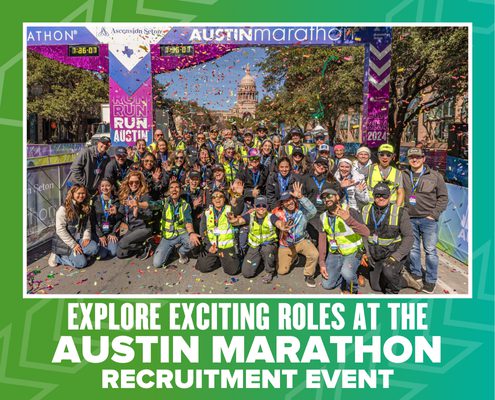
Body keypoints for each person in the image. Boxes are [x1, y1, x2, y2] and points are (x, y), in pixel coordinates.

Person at [361, 183, 422, 294]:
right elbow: (363, 235)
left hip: (393, 253)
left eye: (384, 195)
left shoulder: (400, 212)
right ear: (373, 196)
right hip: (376, 253)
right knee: (376, 287)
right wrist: (368, 254)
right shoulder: (365, 210)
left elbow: (409, 238)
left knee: (388, 273)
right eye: (378, 195)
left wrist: (396, 257)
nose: (381, 198)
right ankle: (401, 278)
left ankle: (397, 287)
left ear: (389, 196)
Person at [402, 147, 448, 293]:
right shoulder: (403, 174)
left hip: (428, 220)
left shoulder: (435, 176)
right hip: (409, 218)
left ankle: (431, 279)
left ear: (423, 158)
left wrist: (433, 215)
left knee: (430, 251)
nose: (414, 160)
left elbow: (443, 198)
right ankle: (416, 273)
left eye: (417, 157)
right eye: (411, 157)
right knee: (413, 249)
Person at [318, 186, 370, 294]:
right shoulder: (323, 217)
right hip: (335, 253)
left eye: (329, 195)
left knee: (347, 273)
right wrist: (322, 263)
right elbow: (322, 242)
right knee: (327, 285)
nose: (327, 199)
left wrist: (348, 220)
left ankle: (352, 288)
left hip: (353, 252)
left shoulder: (350, 211)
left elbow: (366, 232)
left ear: (337, 197)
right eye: (324, 197)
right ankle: (349, 275)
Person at [228, 195, 290, 283]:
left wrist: (283, 226)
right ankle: (260, 262)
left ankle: (270, 271)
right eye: (258, 206)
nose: (261, 208)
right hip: (255, 245)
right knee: (247, 273)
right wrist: (233, 221)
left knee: (266, 250)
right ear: (254, 207)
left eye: (264, 205)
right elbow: (239, 221)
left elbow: (278, 223)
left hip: (268, 244)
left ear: (267, 207)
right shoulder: (250, 216)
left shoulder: (271, 216)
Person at [272, 181, 319, 287]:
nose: (289, 203)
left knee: (314, 254)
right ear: (282, 204)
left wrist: (301, 197)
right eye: (285, 201)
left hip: (301, 241)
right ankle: (294, 257)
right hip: (286, 244)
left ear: (294, 199)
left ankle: (309, 275)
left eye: (290, 199)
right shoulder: (278, 213)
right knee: (281, 271)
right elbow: (270, 217)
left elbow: (313, 211)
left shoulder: (301, 212)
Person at [149, 181, 202, 267]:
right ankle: (170, 249)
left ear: (180, 191)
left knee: (193, 241)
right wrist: (138, 204)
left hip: (181, 234)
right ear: (169, 191)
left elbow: (188, 221)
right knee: (157, 263)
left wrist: (191, 233)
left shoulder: (185, 205)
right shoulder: (164, 202)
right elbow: (152, 205)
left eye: (177, 187)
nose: (174, 189)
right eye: (172, 187)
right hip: (168, 237)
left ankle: (181, 252)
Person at [196, 185, 244, 276]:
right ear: (212, 200)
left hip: (227, 247)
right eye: (214, 197)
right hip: (213, 246)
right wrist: (208, 246)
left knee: (232, 271)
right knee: (202, 267)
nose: (217, 199)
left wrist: (239, 195)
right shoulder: (206, 212)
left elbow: (239, 208)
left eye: (220, 196)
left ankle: (225, 259)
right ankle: (219, 259)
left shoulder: (230, 209)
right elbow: (203, 231)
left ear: (224, 199)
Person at [48, 184, 99, 268]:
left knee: (94, 248)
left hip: (79, 239)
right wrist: (73, 245)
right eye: (78, 193)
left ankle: (78, 255)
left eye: (83, 193)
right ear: (72, 194)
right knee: (81, 263)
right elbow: (60, 230)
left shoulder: (85, 206)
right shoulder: (63, 209)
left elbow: (87, 225)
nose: (81, 196)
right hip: (66, 242)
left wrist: (86, 237)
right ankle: (57, 257)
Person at [116, 171, 153, 259]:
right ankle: (140, 245)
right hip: (131, 228)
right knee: (120, 253)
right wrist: (115, 212)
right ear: (127, 183)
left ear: (140, 183)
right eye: (131, 182)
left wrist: (137, 214)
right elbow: (121, 214)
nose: (134, 184)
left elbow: (149, 215)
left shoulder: (145, 196)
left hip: (143, 228)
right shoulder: (126, 195)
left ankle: (145, 246)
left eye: (137, 182)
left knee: (123, 243)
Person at [91, 178, 122, 259]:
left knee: (113, 253)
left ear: (111, 187)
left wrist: (113, 233)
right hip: (99, 232)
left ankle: (111, 242)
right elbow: (92, 220)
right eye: (102, 186)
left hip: (111, 231)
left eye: (108, 186)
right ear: (99, 187)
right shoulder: (95, 200)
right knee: (102, 255)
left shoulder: (116, 200)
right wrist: (100, 235)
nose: (105, 188)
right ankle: (100, 243)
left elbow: (119, 219)